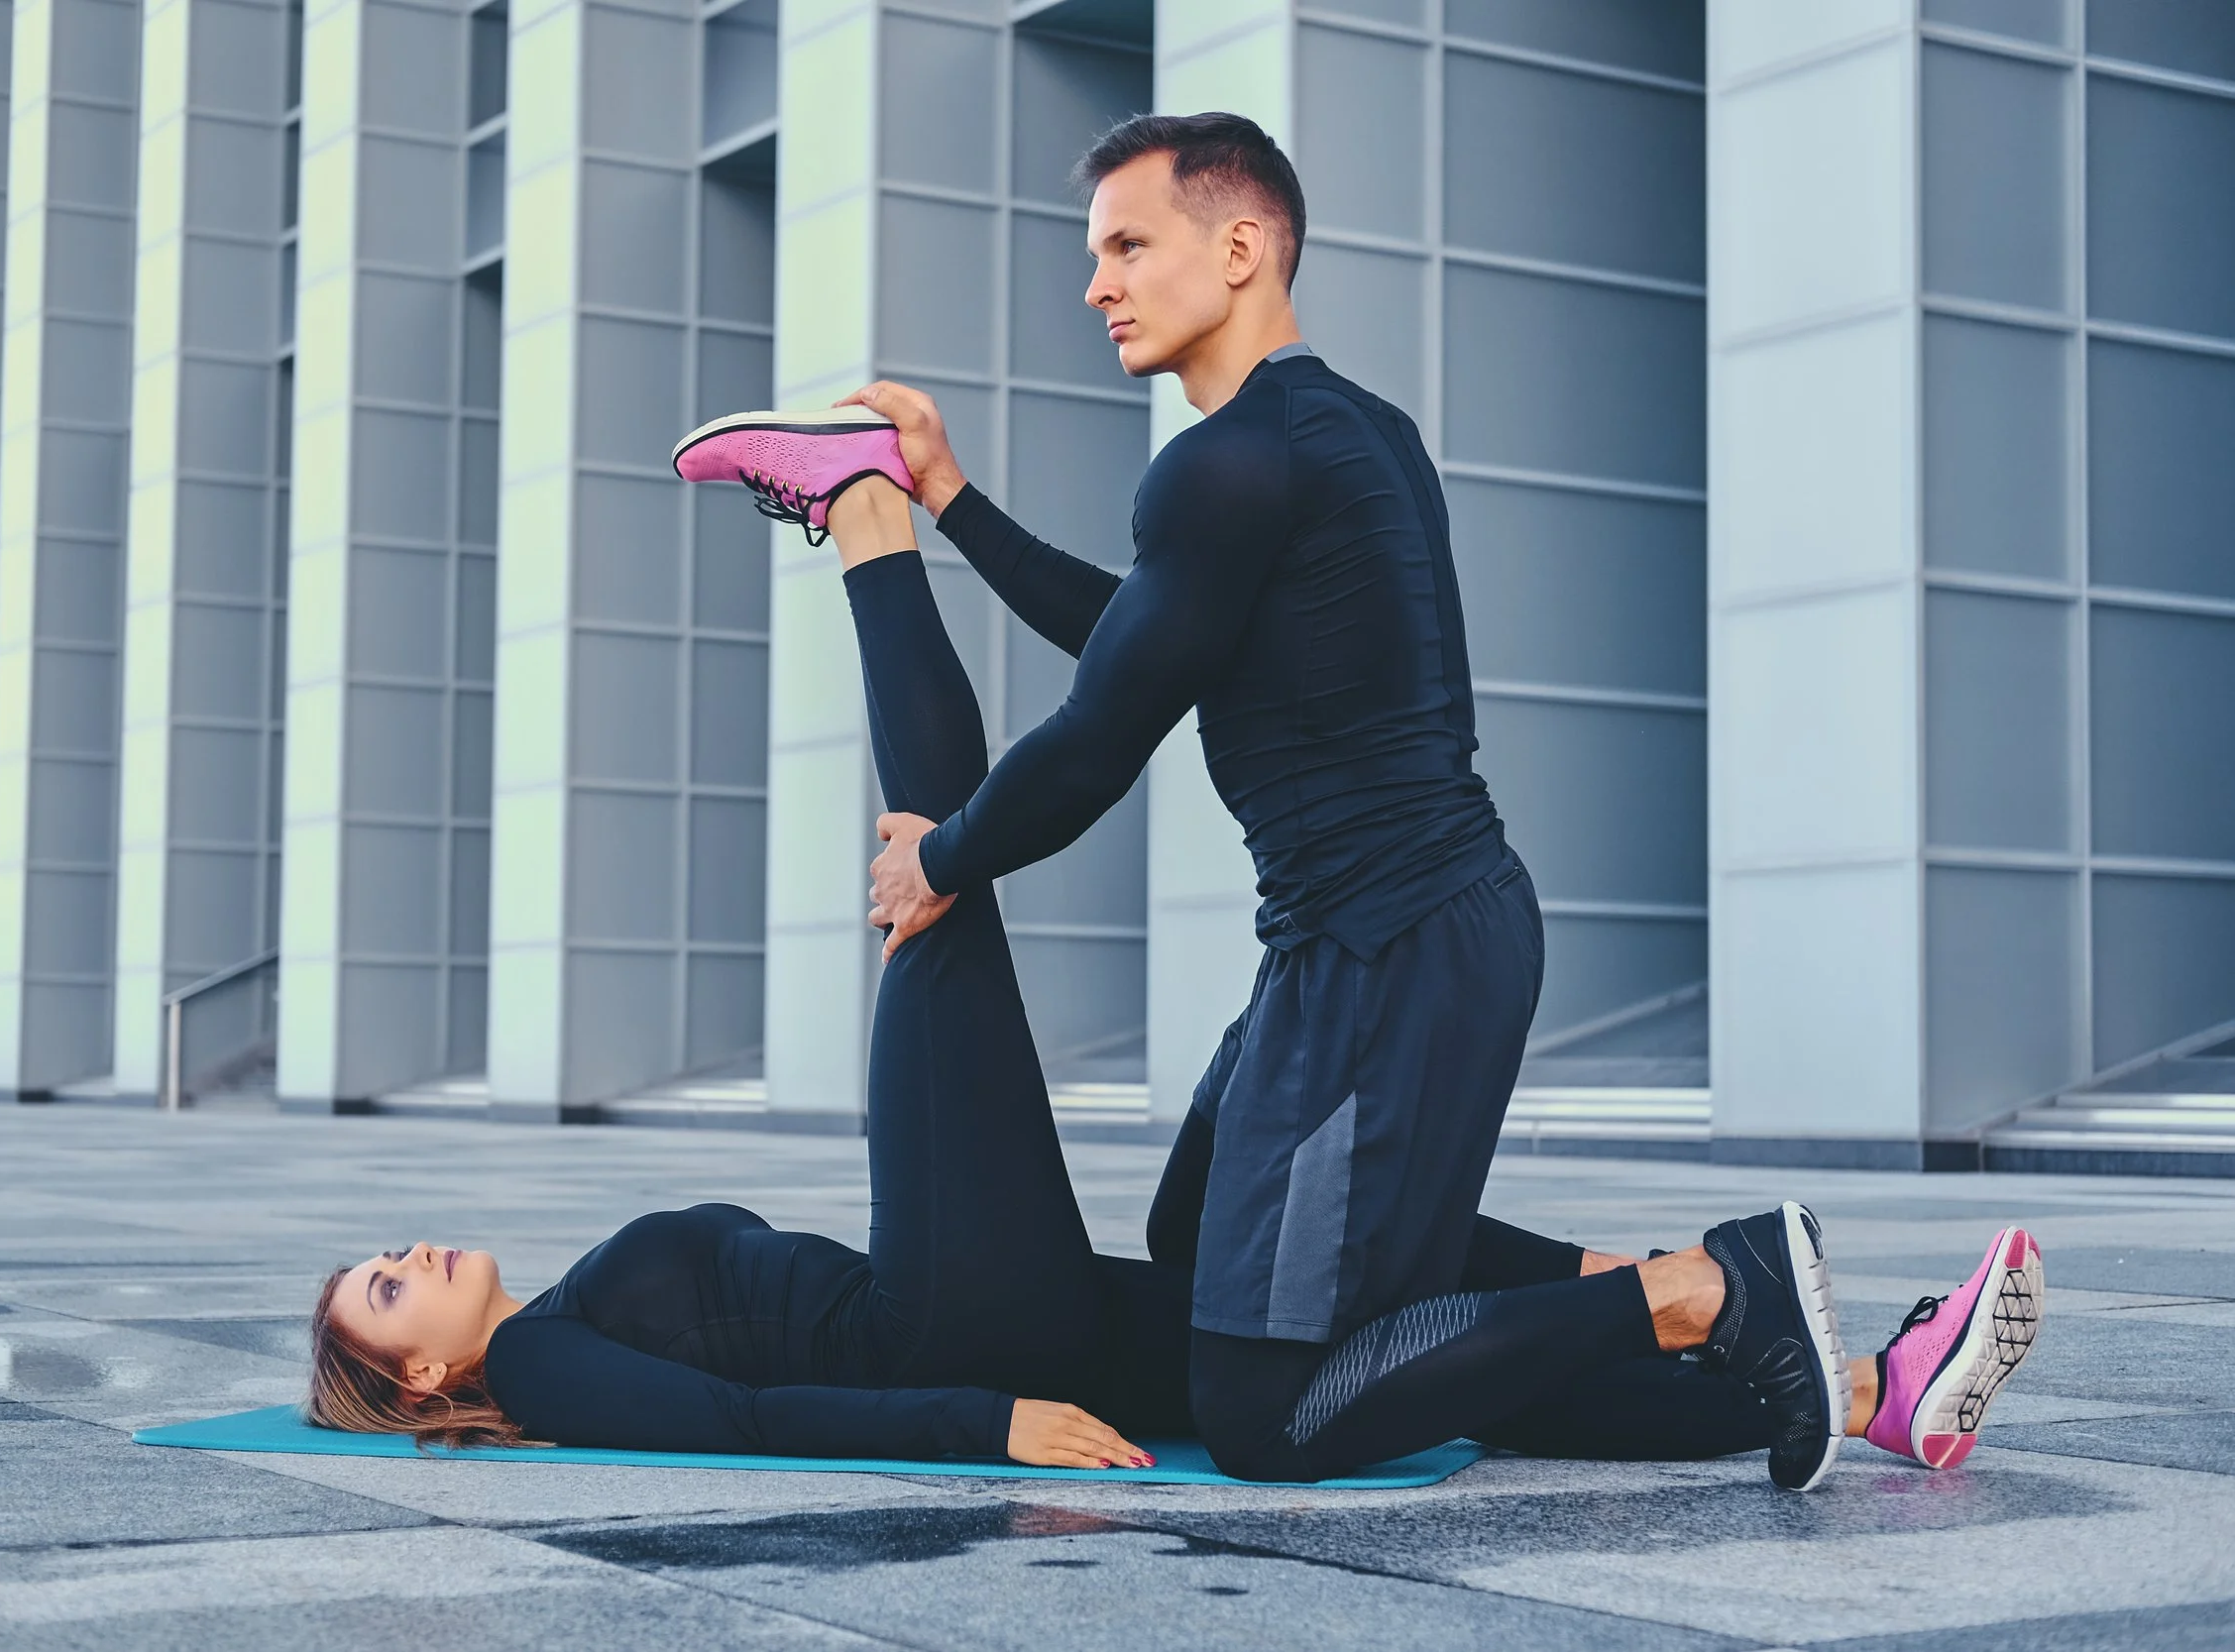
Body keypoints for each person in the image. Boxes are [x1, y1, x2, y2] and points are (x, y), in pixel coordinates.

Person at [305, 454, 2047, 1482]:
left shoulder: (541, 1318)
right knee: (936, 896)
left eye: (381, 1255)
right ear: (429, 1383)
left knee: (1384, 1319)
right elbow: (751, 1418)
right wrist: (987, 1425)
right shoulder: (542, 1367)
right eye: (389, 1293)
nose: (411, 1255)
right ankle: (858, 516)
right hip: (956, 1326)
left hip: (1028, 1304)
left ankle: (1849, 1385)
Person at [734, 111, 2018, 1491]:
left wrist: (948, 856)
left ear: (1240, 247)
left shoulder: (1226, 465)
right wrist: (953, 498)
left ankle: (1709, 1286)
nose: (1095, 283)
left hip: (1384, 948)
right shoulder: (1345, 434)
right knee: (1204, 1229)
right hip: (1394, 934)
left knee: (1271, 1410)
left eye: (1125, 245)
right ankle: (1818, 1371)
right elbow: (1143, 644)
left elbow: (1103, 730)